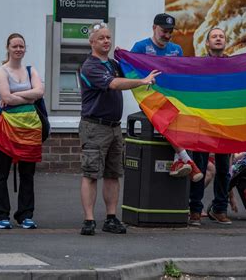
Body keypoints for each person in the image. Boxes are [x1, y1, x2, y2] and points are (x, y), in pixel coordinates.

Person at [79, 22, 161, 236]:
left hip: (115, 128)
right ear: (92, 42)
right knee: (90, 174)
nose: (106, 41)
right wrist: (142, 81)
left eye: (108, 37)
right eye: (101, 38)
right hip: (94, 127)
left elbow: (131, 69)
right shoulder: (90, 66)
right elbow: (115, 84)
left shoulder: (113, 64)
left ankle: (111, 218)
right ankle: (88, 220)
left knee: (113, 174)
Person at [131, 13, 202, 182]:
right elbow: (130, 71)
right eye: (164, 31)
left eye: (171, 31)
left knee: (189, 115)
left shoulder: (176, 49)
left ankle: (179, 161)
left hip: (173, 98)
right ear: (154, 28)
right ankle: (187, 161)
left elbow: (181, 74)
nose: (168, 35)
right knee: (168, 114)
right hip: (149, 99)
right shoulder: (140, 47)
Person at [0, 33, 44, 229]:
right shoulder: (0, 71)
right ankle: (0, 215)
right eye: (14, 46)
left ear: (25, 48)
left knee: (27, 173)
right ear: (8, 48)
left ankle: (25, 215)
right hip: (7, 127)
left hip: (30, 127)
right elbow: (5, 96)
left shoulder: (31, 70)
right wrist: (28, 96)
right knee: (1, 172)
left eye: (21, 46)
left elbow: (39, 93)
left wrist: (17, 95)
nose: (18, 49)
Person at [188, 28, 232, 226]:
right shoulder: (199, 65)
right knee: (200, 169)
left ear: (225, 42)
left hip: (225, 125)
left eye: (221, 36)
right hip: (203, 125)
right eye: (214, 36)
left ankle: (220, 209)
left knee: (224, 169)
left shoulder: (233, 65)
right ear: (207, 43)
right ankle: (195, 210)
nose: (218, 39)